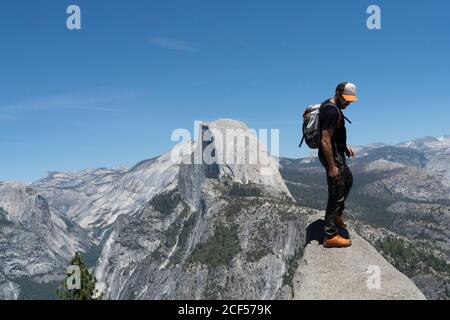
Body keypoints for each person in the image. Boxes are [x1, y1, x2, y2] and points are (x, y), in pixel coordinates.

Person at [319, 82, 357, 248]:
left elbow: (333, 137)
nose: (348, 102)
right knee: (336, 191)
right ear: (338, 93)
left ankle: (337, 215)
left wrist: (344, 147)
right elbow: (325, 140)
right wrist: (332, 167)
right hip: (332, 156)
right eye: (346, 99)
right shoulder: (331, 110)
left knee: (347, 180)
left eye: (350, 100)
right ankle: (330, 235)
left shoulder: (331, 106)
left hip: (337, 152)